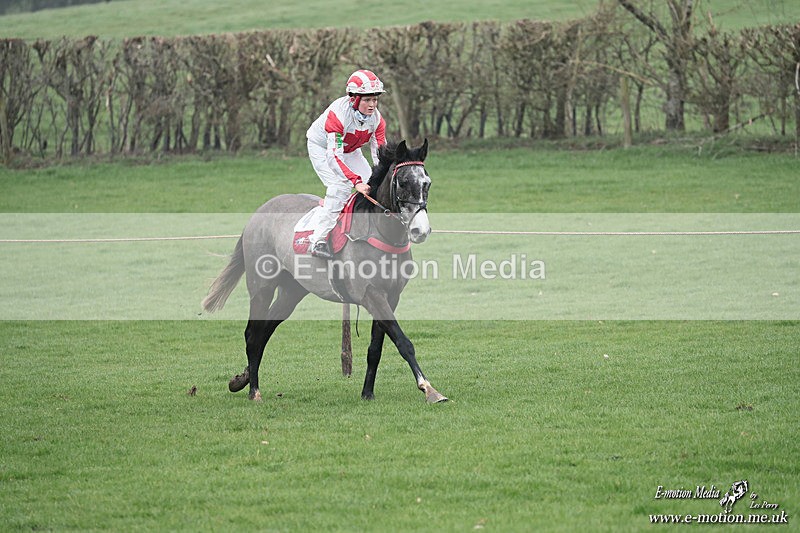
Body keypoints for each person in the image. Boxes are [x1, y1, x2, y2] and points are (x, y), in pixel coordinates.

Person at [304, 69, 387, 259]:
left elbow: (380, 154)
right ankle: (318, 239)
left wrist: (383, 176)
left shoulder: (377, 120)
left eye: (375, 99)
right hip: (323, 149)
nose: (372, 105)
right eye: (367, 100)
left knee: (374, 185)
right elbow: (334, 157)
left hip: (350, 151)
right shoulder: (338, 116)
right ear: (354, 99)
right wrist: (355, 181)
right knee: (340, 187)